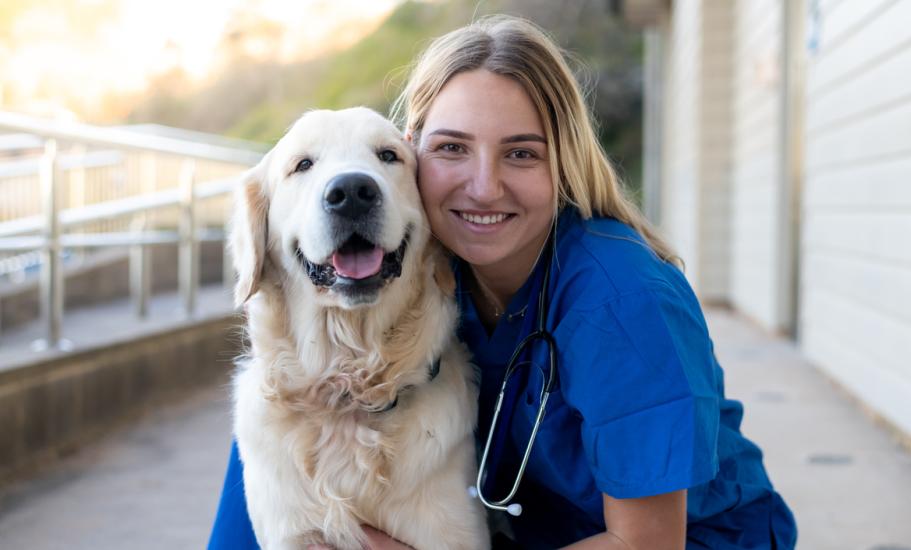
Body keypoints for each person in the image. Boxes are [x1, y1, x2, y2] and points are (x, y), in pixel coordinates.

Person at [209, 14, 797, 549]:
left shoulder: (622, 303)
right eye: (452, 149)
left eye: (521, 154)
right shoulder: (436, 267)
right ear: (417, 161)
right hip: (543, 535)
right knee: (264, 426)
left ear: (564, 160)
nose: (484, 187)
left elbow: (647, 544)